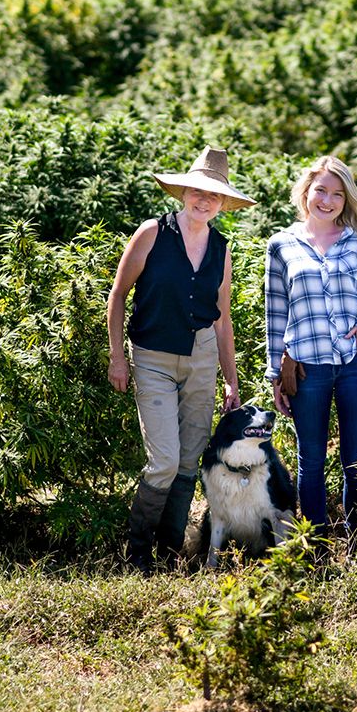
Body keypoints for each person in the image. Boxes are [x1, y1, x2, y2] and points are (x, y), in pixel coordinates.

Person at [108, 147, 256, 573]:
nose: (203, 200)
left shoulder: (221, 249)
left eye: (213, 195)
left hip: (202, 358)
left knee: (189, 461)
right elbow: (118, 296)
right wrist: (118, 357)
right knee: (165, 460)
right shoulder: (153, 232)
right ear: (184, 192)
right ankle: (136, 554)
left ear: (223, 203)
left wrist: (231, 380)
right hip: (152, 356)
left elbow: (223, 319)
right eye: (197, 191)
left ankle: (170, 552)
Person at [265, 155, 357, 547]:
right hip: (307, 368)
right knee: (311, 460)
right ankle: (314, 546)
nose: (328, 200)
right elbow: (276, 311)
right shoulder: (281, 245)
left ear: (346, 199)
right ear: (306, 192)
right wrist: (274, 375)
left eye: (337, 194)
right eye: (321, 190)